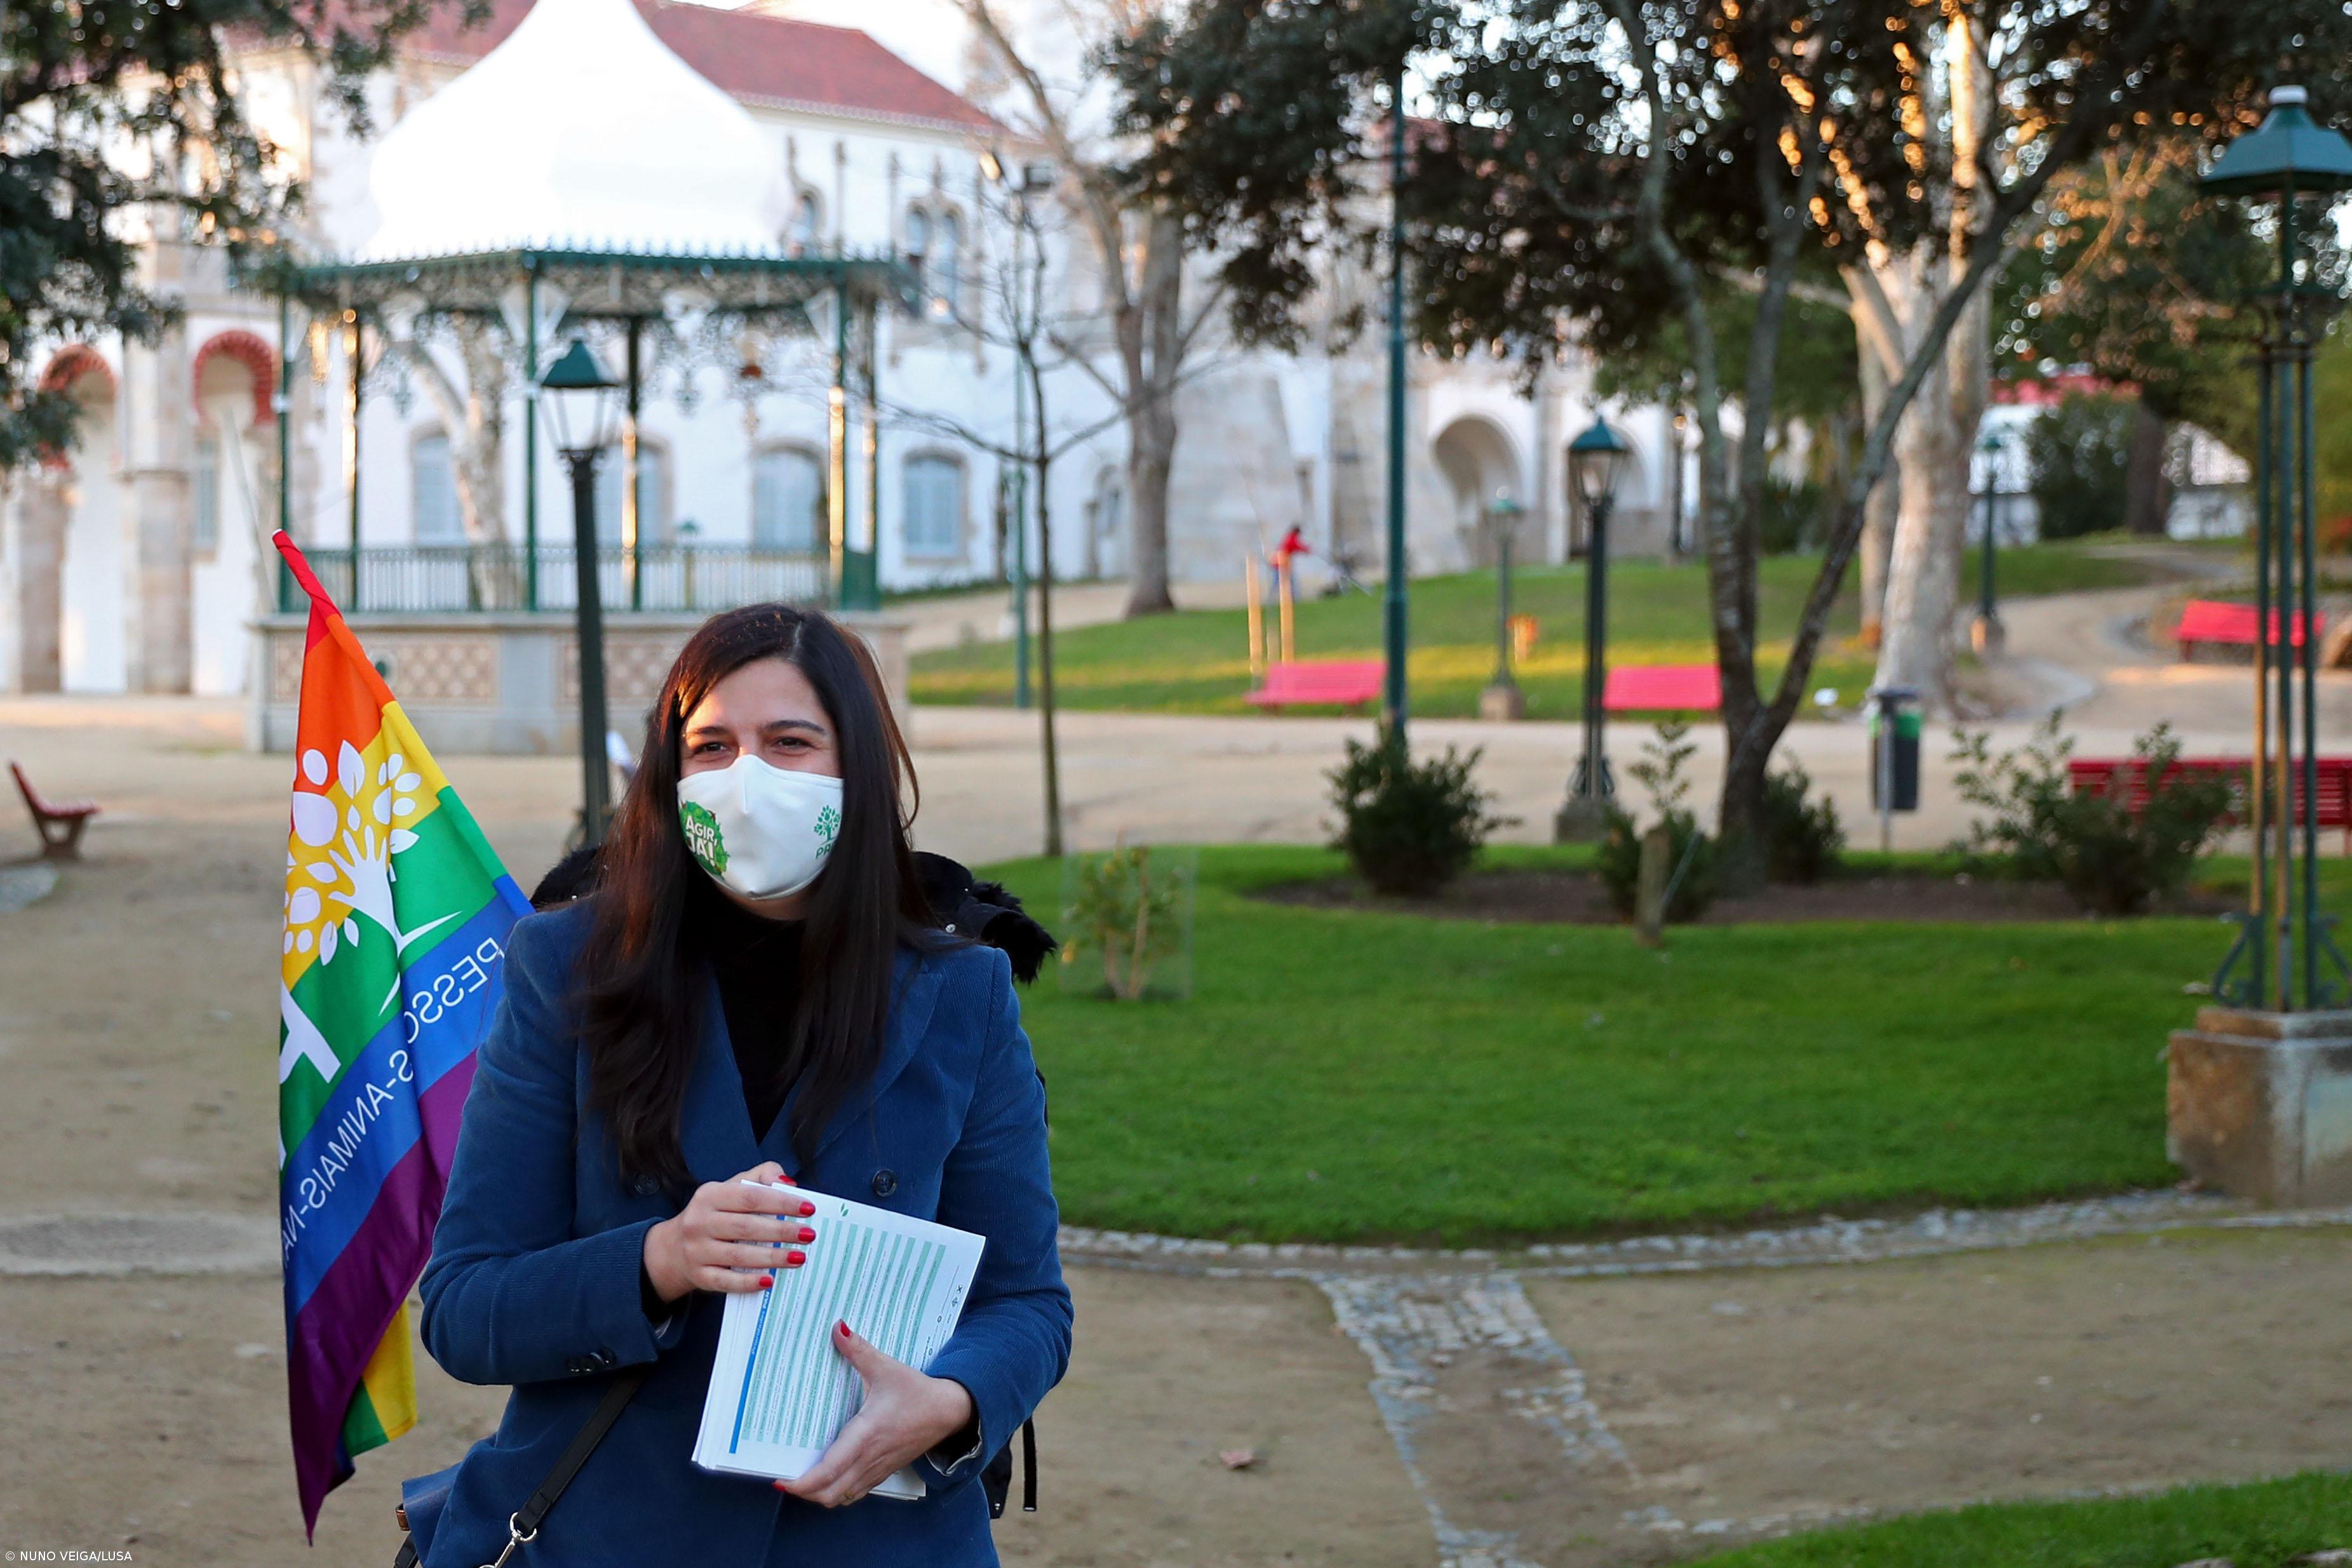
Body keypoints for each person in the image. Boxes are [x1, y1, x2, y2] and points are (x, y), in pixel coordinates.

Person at [408, 603, 1071, 1567]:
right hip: (615, 1531)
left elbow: (1027, 1300)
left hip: (879, 1541)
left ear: (859, 766)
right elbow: (465, 1306)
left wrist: (952, 1402)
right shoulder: (566, 965)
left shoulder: (962, 989)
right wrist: (660, 1259)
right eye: (710, 744)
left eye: (789, 742)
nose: (745, 778)